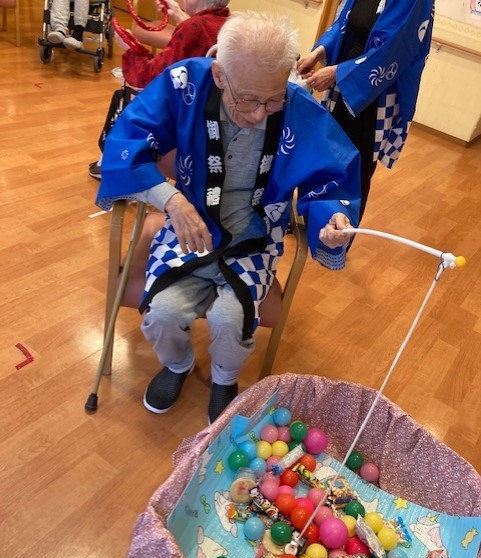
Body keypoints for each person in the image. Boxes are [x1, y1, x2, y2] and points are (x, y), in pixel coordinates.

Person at [96, 11, 362, 423]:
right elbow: (126, 143)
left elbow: (332, 177)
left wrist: (332, 221)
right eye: (248, 99)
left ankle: (225, 377)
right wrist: (171, 200)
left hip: (254, 237)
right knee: (163, 313)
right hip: (188, 225)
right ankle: (178, 365)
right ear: (220, 75)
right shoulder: (185, 83)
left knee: (231, 319)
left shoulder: (294, 104)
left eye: (272, 99)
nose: (259, 114)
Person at [297, 0, 434, 220]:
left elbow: (395, 49)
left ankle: (339, 233)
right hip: (344, 80)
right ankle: (313, 220)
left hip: (375, 94)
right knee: (326, 156)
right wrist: (318, 53)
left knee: (354, 170)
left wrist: (337, 72)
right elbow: (344, 22)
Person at [88, 0, 230, 179]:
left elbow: (150, 76)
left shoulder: (192, 28)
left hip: (181, 116)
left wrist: (130, 49)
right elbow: (202, 34)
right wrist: (177, 12)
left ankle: (112, 164)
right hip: (209, 112)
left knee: (124, 96)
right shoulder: (229, 25)